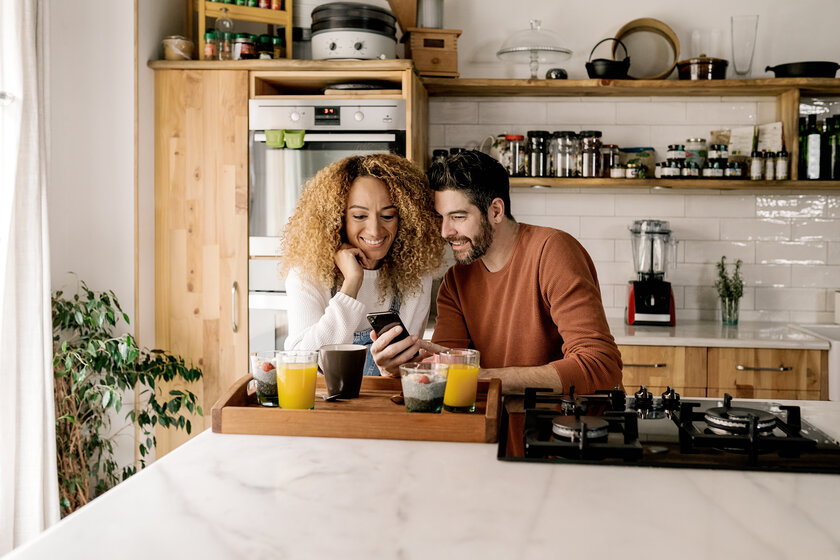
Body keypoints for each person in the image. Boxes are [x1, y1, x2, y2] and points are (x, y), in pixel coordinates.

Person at [371, 150, 623, 394]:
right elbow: (446, 377)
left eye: (458, 217)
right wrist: (396, 370)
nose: (445, 232)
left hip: (561, 432)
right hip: (491, 432)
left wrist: (480, 377)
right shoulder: (456, 282)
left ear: (496, 211)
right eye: (440, 218)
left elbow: (600, 366)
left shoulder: (551, 251)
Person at [280, 153, 444, 376]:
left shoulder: (415, 275)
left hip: (384, 405)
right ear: (337, 218)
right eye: (359, 216)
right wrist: (352, 283)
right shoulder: (307, 272)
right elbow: (301, 362)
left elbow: (404, 368)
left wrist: (391, 369)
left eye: (387, 216)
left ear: (404, 218)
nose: (375, 230)